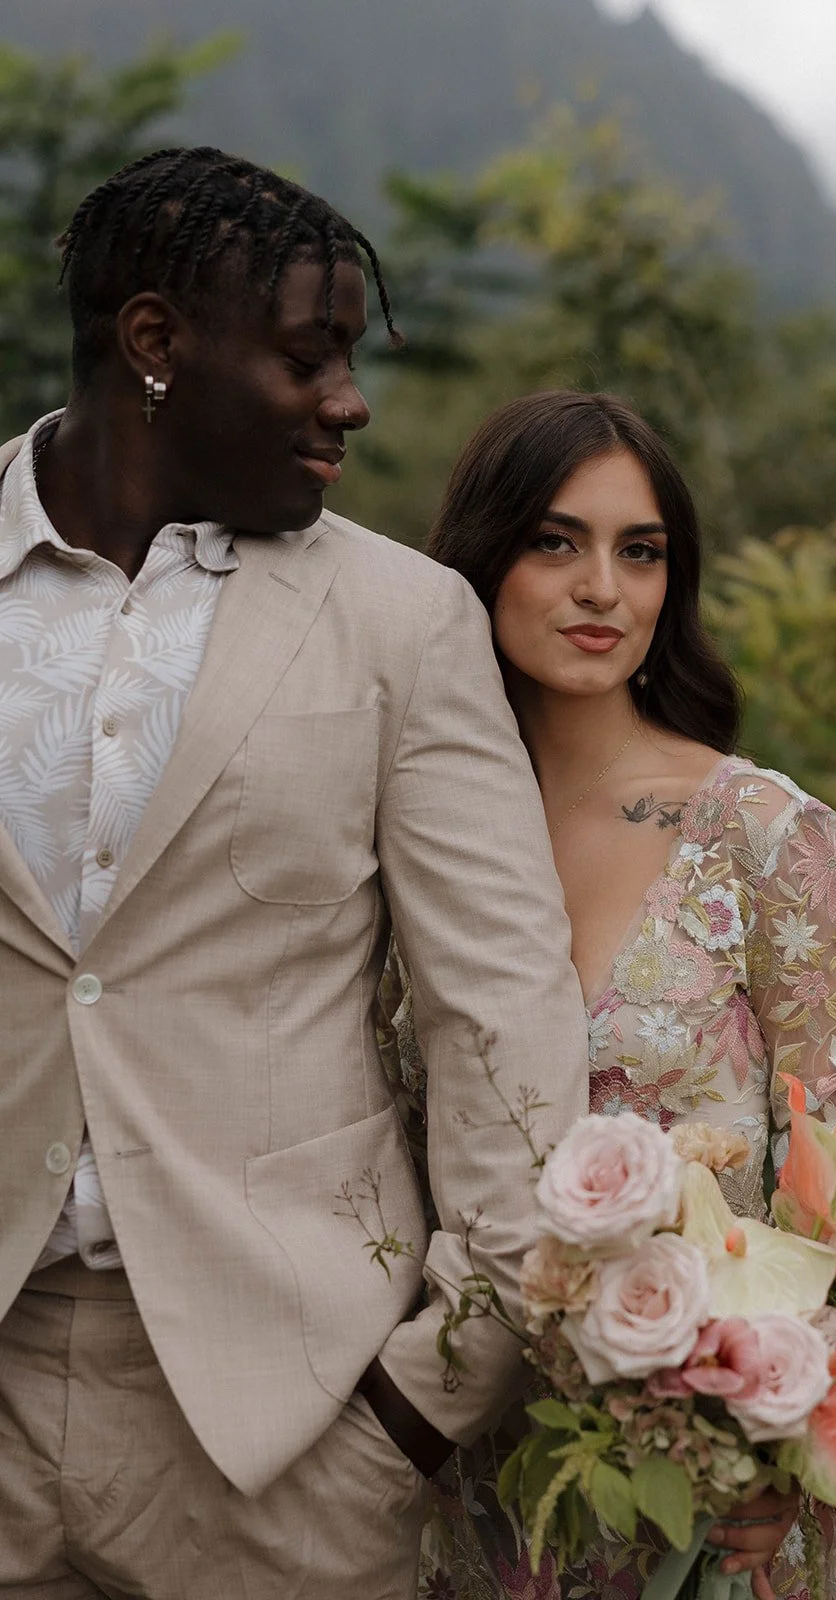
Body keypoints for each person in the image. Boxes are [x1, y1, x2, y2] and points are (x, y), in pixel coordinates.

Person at [0, 150, 588, 1598]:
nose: (350, 399)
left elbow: (500, 1015)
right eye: (307, 357)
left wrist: (420, 1411)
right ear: (155, 344)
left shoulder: (405, 622)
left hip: (288, 1438)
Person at [403, 391, 836, 1600]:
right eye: (553, 541)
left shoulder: (763, 833)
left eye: (640, 551)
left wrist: (789, 1427)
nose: (600, 590)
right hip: (443, 1456)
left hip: (702, 1472)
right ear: (481, 555)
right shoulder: (403, 830)